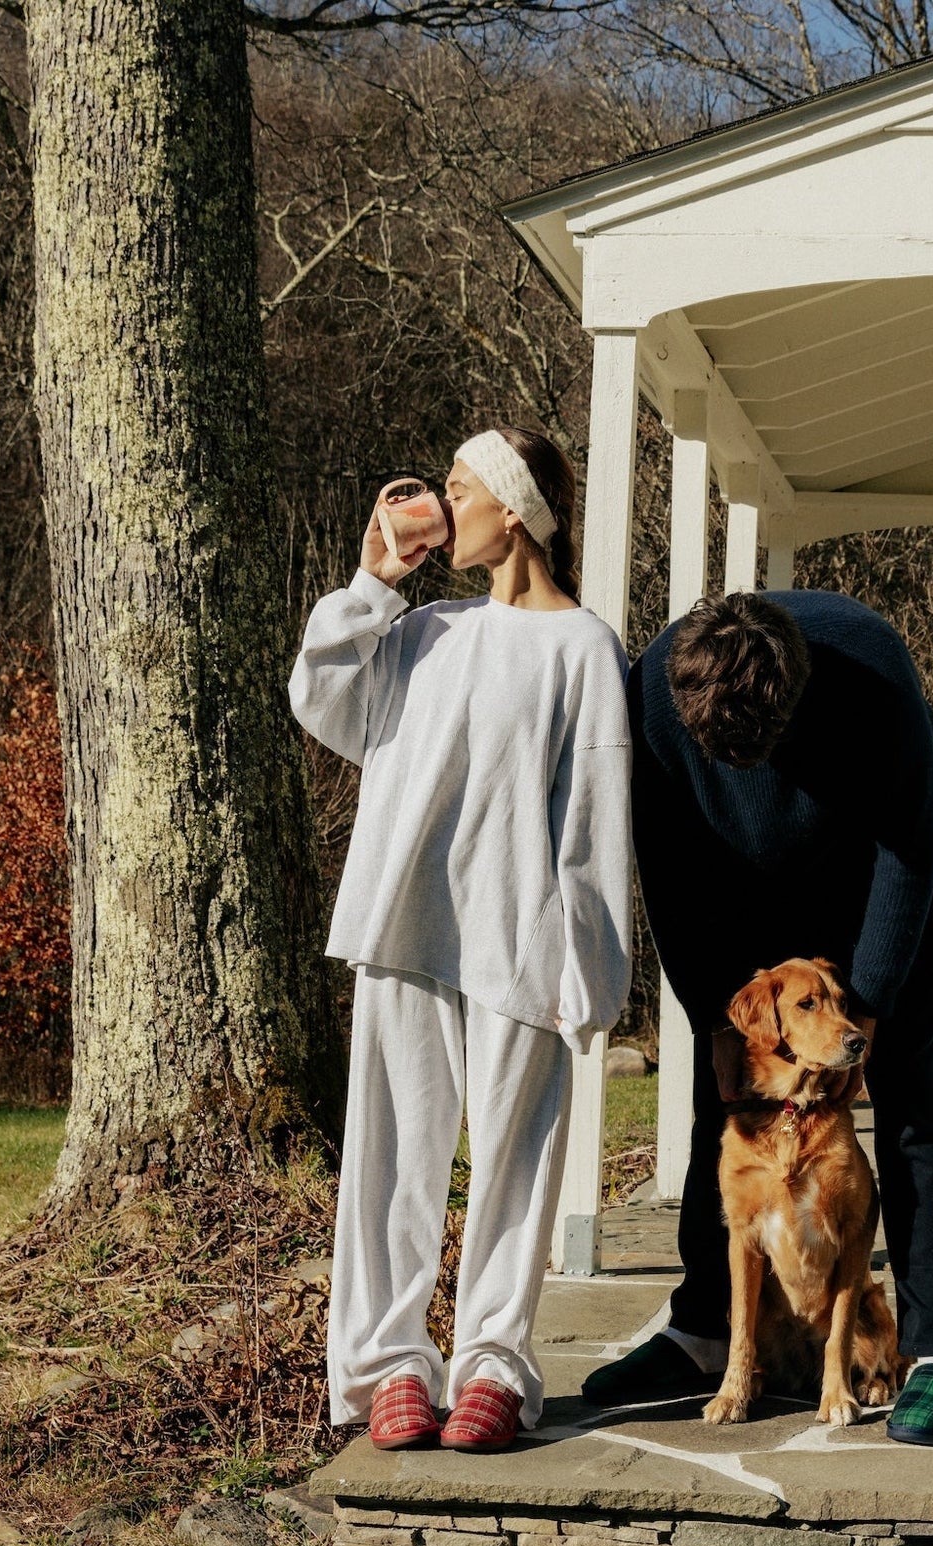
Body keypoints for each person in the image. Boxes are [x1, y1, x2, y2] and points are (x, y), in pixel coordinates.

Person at [288, 427, 633, 1454]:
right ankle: (387, 1363)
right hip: (406, 921)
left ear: (515, 510)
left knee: (515, 1161)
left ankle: (493, 1360)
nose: (440, 504)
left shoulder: (585, 649)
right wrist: (372, 581)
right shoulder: (425, 629)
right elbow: (324, 700)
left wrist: (597, 970)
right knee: (392, 1157)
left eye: (457, 487)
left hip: (523, 937)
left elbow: (599, 816)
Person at [584, 590, 933, 1447]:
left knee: (912, 1102)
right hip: (736, 891)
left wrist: (859, 1018)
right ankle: (702, 1329)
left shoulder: (877, 679)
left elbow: (910, 858)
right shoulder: (652, 692)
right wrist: (718, 1027)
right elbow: (673, 884)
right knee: (722, 1106)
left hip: (882, 879)